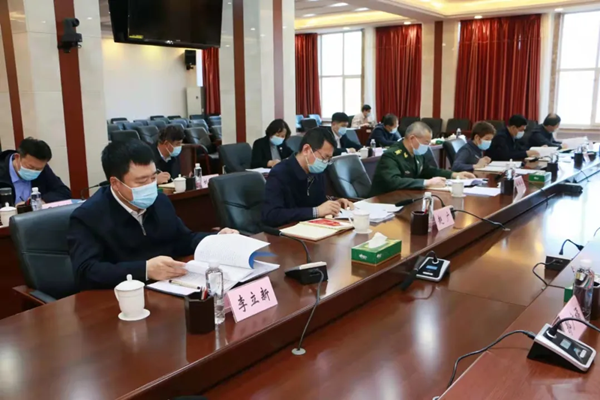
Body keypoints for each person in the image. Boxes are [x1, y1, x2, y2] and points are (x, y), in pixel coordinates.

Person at [68, 140, 238, 290]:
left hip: (167, 288)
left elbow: (183, 240)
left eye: (153, 178)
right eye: (142, 181)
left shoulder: (160, 201)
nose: (150, 186)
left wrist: (215, 239)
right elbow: (86, 272)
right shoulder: (89, 216)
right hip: (119, 298)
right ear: (115, 183)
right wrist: (145, 270)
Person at [262, 127, 354, 227]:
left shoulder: (317, 172)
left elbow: (320, 204)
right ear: (306, 150)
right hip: (286, 231)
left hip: (312, 228)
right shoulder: (280, 173)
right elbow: (271, 215)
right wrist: (315, 212)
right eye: (324, 158)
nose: (325, 163)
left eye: (329, 159)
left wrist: (334, 204)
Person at [369, 122, 475, 196]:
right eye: (426, 142)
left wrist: (454, 175)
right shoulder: (391, 155)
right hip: (384, 201)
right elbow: (393, 181)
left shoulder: (417, 153)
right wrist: (426, 183)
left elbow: (428, 170)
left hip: (406, 196)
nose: (427, 146)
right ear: (412, 138)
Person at [0, 137, 71, 205]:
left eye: (39, 169)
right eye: (30, 167)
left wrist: (42, 200)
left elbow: (63, 191)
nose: (34, 171)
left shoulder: (40, 166)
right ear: (17, 157)